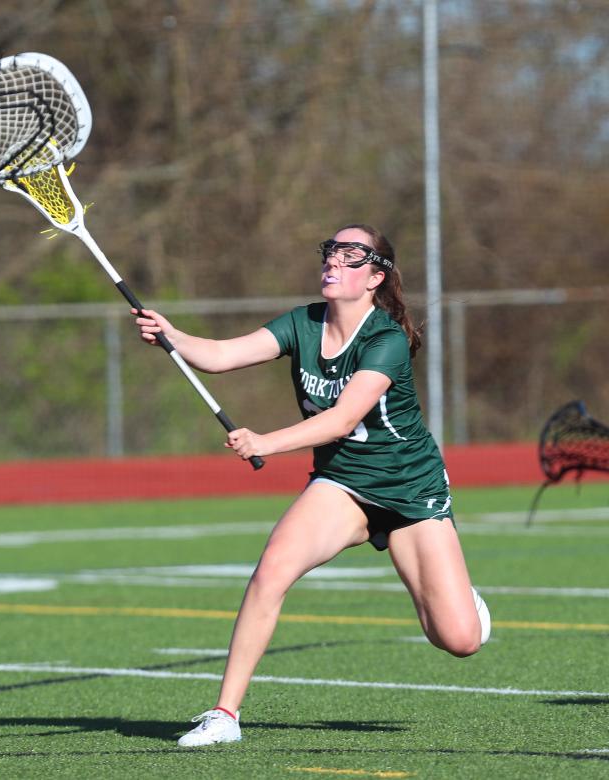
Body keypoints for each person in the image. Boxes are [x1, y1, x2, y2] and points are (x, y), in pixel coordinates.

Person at [133, 224, 491, 748]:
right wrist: (172, 335)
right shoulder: (303, 323)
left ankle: (464, 600)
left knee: (457, 639)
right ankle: (224, 714)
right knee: (271, 571)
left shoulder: (385, 339)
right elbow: (221, 356)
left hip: (410, 490)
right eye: (331, 251)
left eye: (351, 255)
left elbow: (342, 420)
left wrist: (265, 443)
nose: (334, 261)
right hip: (343, 484)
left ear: (375, 275)